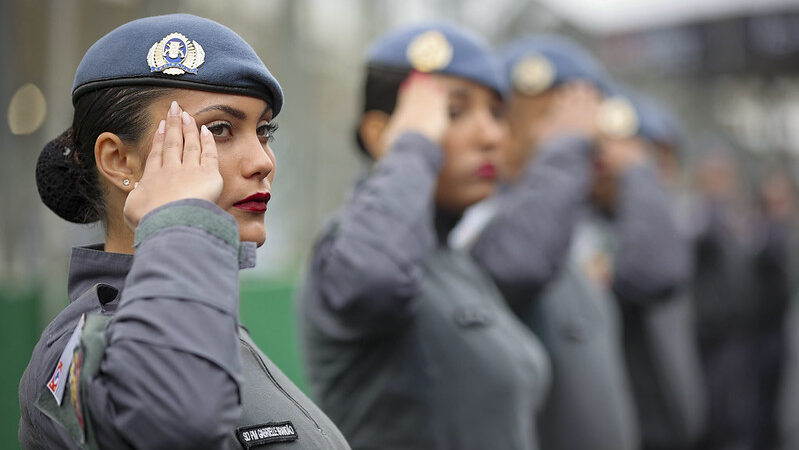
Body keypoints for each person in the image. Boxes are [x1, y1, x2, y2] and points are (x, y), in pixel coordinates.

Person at [19, 14, 350, 450]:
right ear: (119, 160)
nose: (263, 161)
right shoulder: (78, 350)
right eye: (219, 130)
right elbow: (180, 417)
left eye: (263, 131)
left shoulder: (206, 324)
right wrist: (180, 218)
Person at [299, 23, 601, 450]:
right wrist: (414, 145)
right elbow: (375, 279)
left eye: (496, 114)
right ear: (381, 134)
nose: (492, 135)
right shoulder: (351, 247)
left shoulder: (455, 262)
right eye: (453, 112)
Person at [478, 34, 643, 450]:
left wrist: (633, 169)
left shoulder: (584, 223)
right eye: (548, 120)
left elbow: (661, 271)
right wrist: (565, 148)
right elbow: (516, 265)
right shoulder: (482, 218)